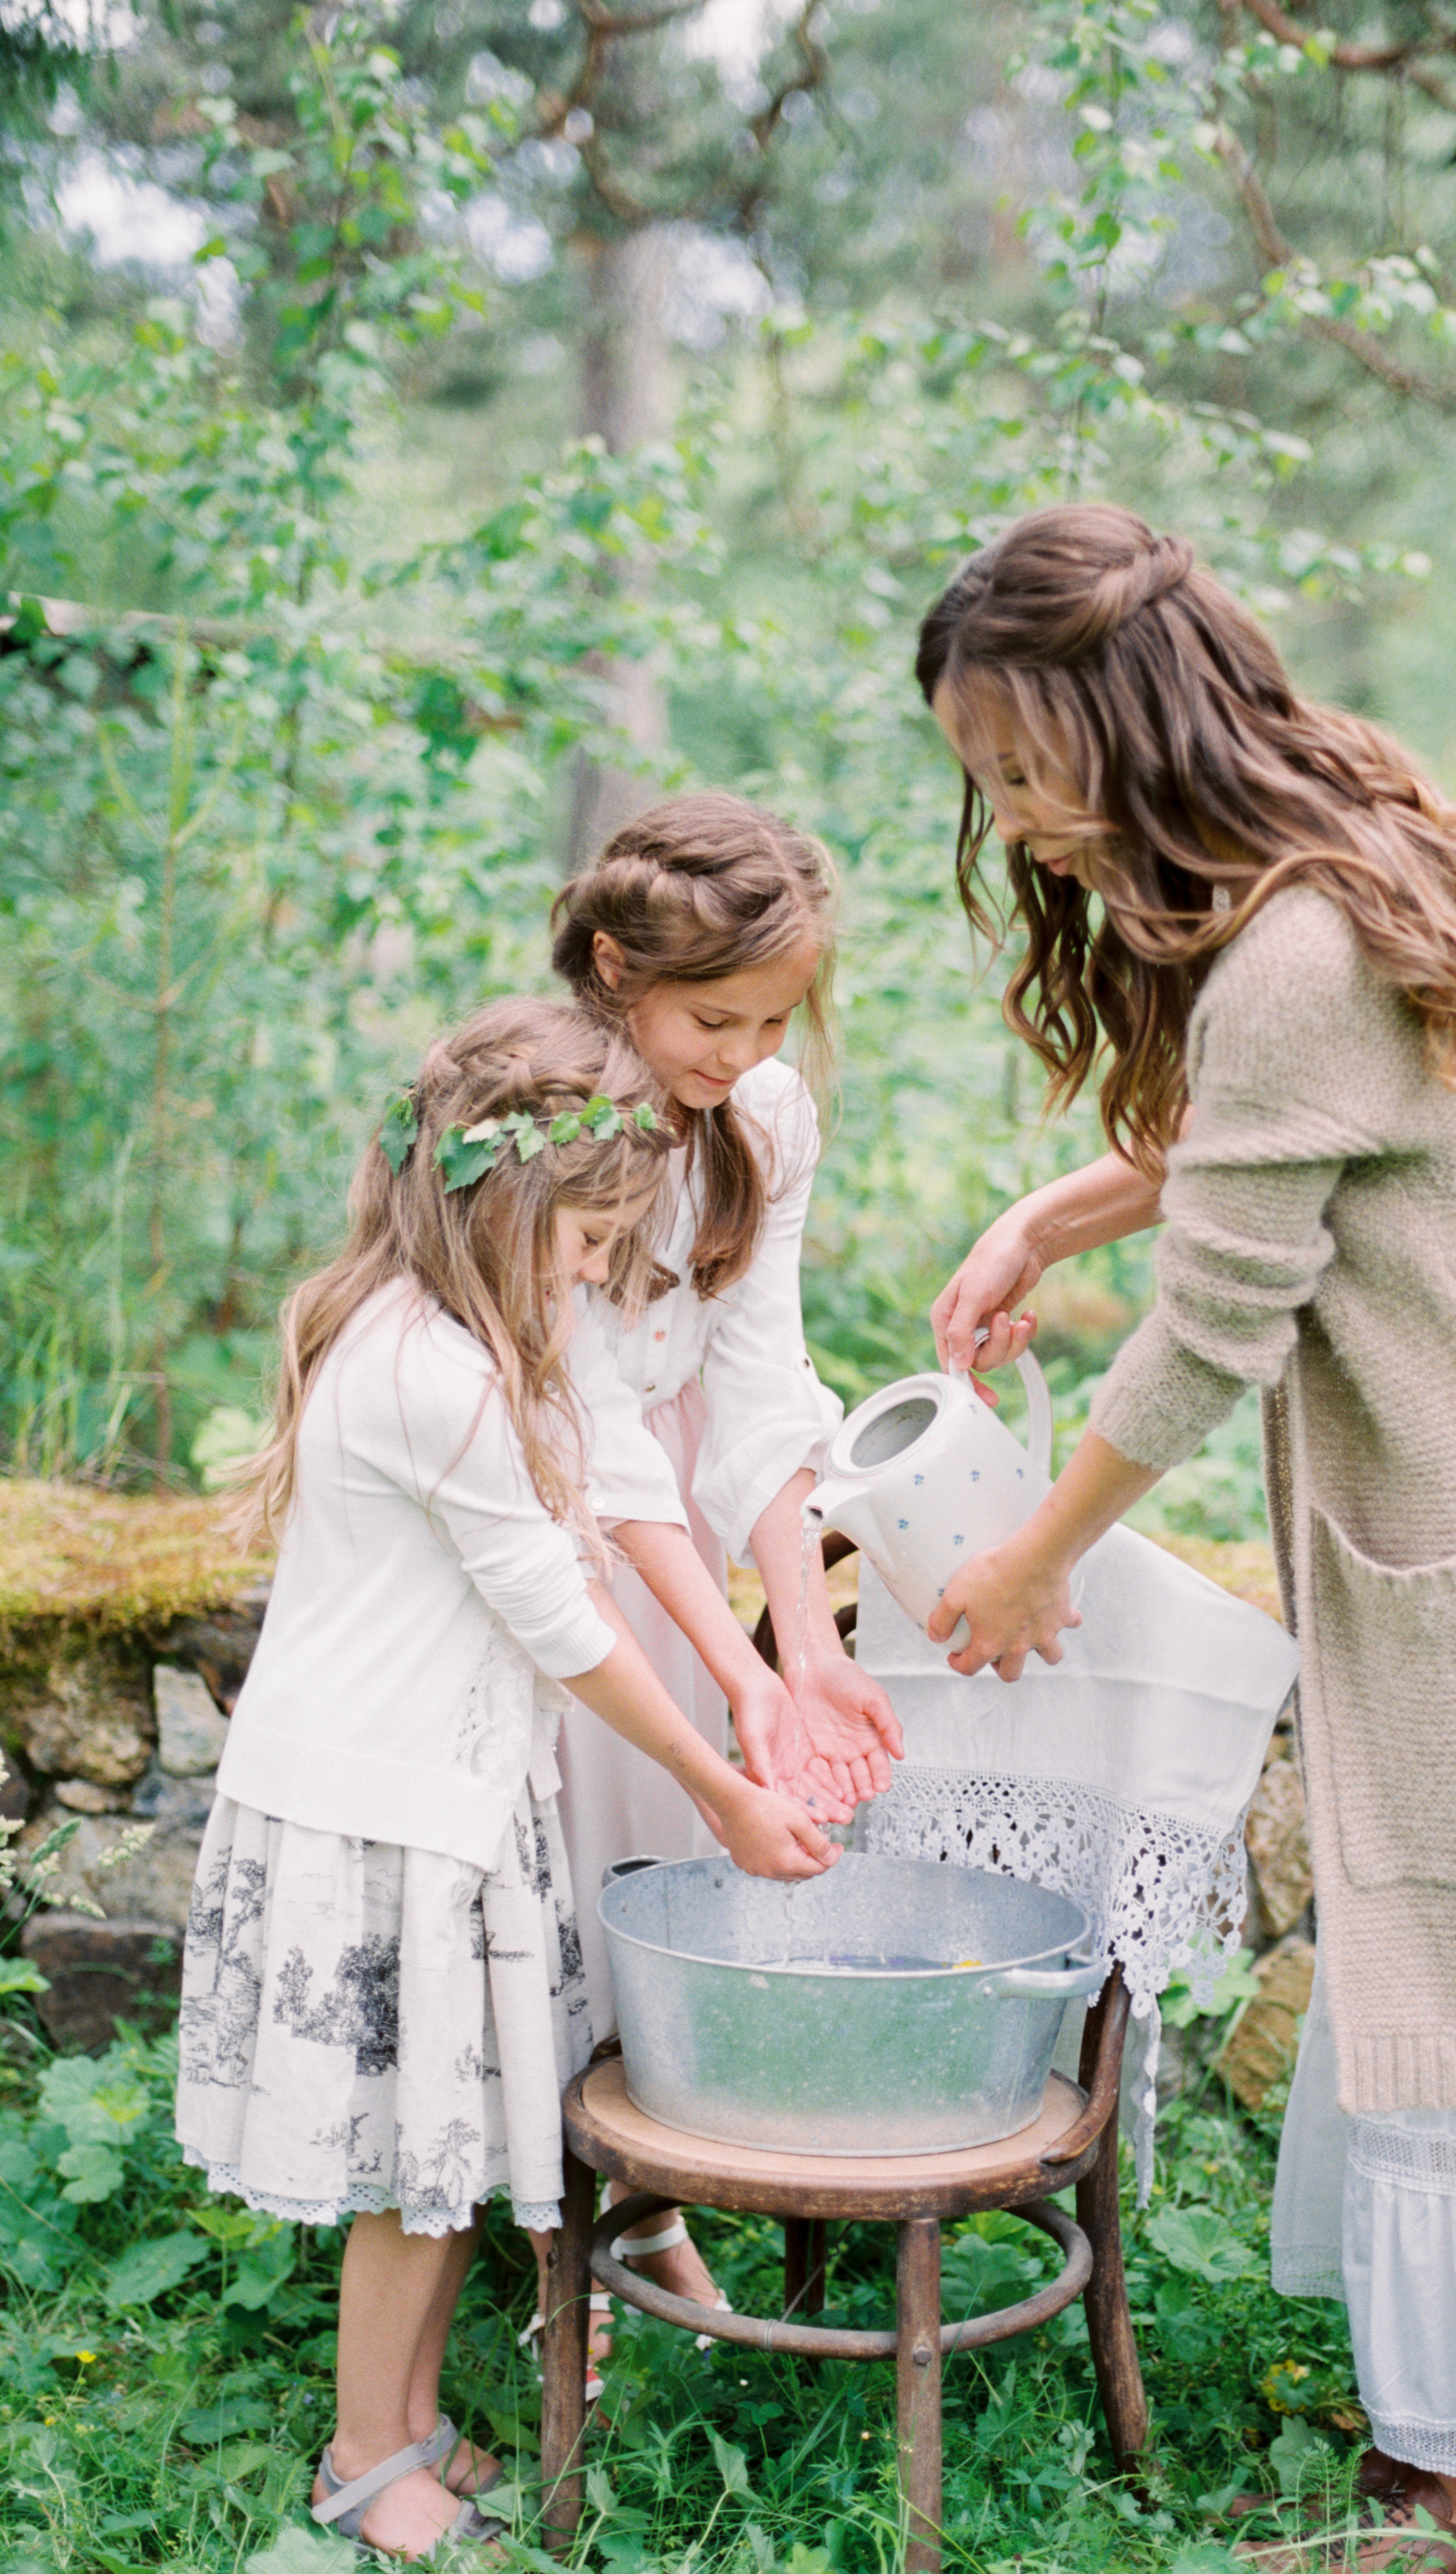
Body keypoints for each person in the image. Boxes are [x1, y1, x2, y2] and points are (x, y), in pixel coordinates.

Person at [914, 504, 1456, 2574]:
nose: (1014, 823)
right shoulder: (1361, 842)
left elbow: (1220, 1326)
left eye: (1026, 770)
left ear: (1136, 723)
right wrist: (1056, 1210)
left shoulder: (1290, 952)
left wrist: (1031, 1558)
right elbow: (1268, 1157)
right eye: (981, 781)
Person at [175, 999, 836, 2561]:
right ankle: (360, 2459)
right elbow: (562, 1618)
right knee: (413, 2177)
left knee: (443, 2151)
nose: (606, 1271)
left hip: (441, 1802)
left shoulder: (440, 1332)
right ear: (510, 1207)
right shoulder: (440, 1379)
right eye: (595, 1238)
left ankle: (406, 2424)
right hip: (383, 1813)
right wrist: (716, 1779)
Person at [540, 794, 903, 2341]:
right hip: (550, 1517)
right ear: (615, 969)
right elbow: (599, 1429)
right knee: (553, 1861)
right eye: (714, 1015)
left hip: (673, 1518)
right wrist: (739, 1665)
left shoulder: (766, 1117)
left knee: (655, 1860)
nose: (746, 1052)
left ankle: (642, 2196)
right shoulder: (547, 1128)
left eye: (775, 1019)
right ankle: (539, 2217)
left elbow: (758, 1388)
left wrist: (803, 1645)